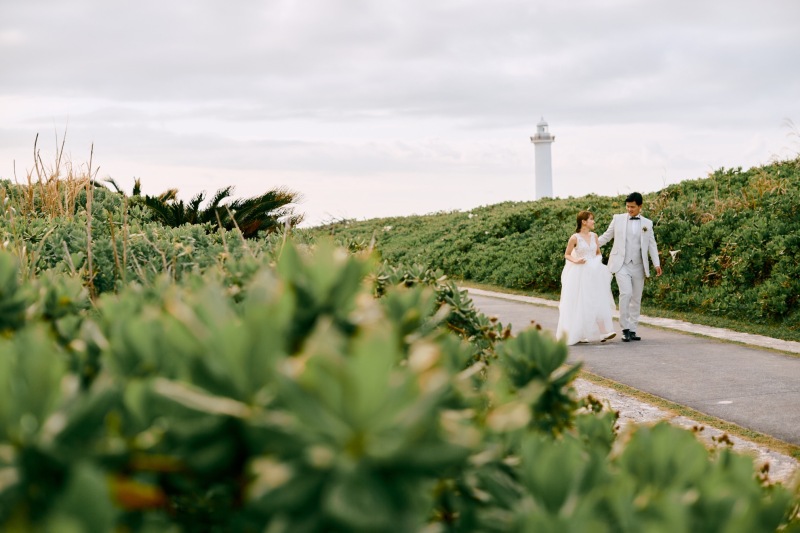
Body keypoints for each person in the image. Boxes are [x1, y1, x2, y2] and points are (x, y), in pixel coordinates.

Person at [597, 192, 662, 342]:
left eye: (632, 207)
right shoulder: (617, 219)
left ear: (640, 206)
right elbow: (607, 236)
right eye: (627, 206)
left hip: (639, 265)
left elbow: (652, 245)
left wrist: (656, 263)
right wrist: (589, 244)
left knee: (636, 297)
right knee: (625, 293)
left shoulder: (648, 223)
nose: (629, 209)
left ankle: (633, 329)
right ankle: (624, 328)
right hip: (621, 264)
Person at [556, 210, 617, 345]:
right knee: (582, 301)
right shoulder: (574, 238)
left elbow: (598, 253)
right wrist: (576, 260)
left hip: (595, 272)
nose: (593, 221)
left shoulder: (594, 236)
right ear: (583, 222)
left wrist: (596, 262)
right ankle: (579, 333)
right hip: (580, 273)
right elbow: (567, 254)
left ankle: (603, 332)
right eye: (591, 219)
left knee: (598, 298)